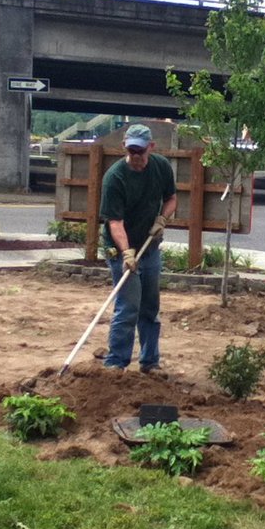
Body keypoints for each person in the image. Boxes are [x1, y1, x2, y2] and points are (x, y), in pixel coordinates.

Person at [100, 124, 177, 372]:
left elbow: (171, 198)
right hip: (120, 249)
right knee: (129, 304)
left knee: (150, 306)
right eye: (132, 151)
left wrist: (162, 219)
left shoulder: (161, 167)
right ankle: (116, 362)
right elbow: (115, 222)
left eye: (140, 152)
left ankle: (149, 361)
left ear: (151, 148)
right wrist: (126, 253)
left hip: (150, 247)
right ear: (124, 146)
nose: (136, 157)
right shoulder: (115, 178)